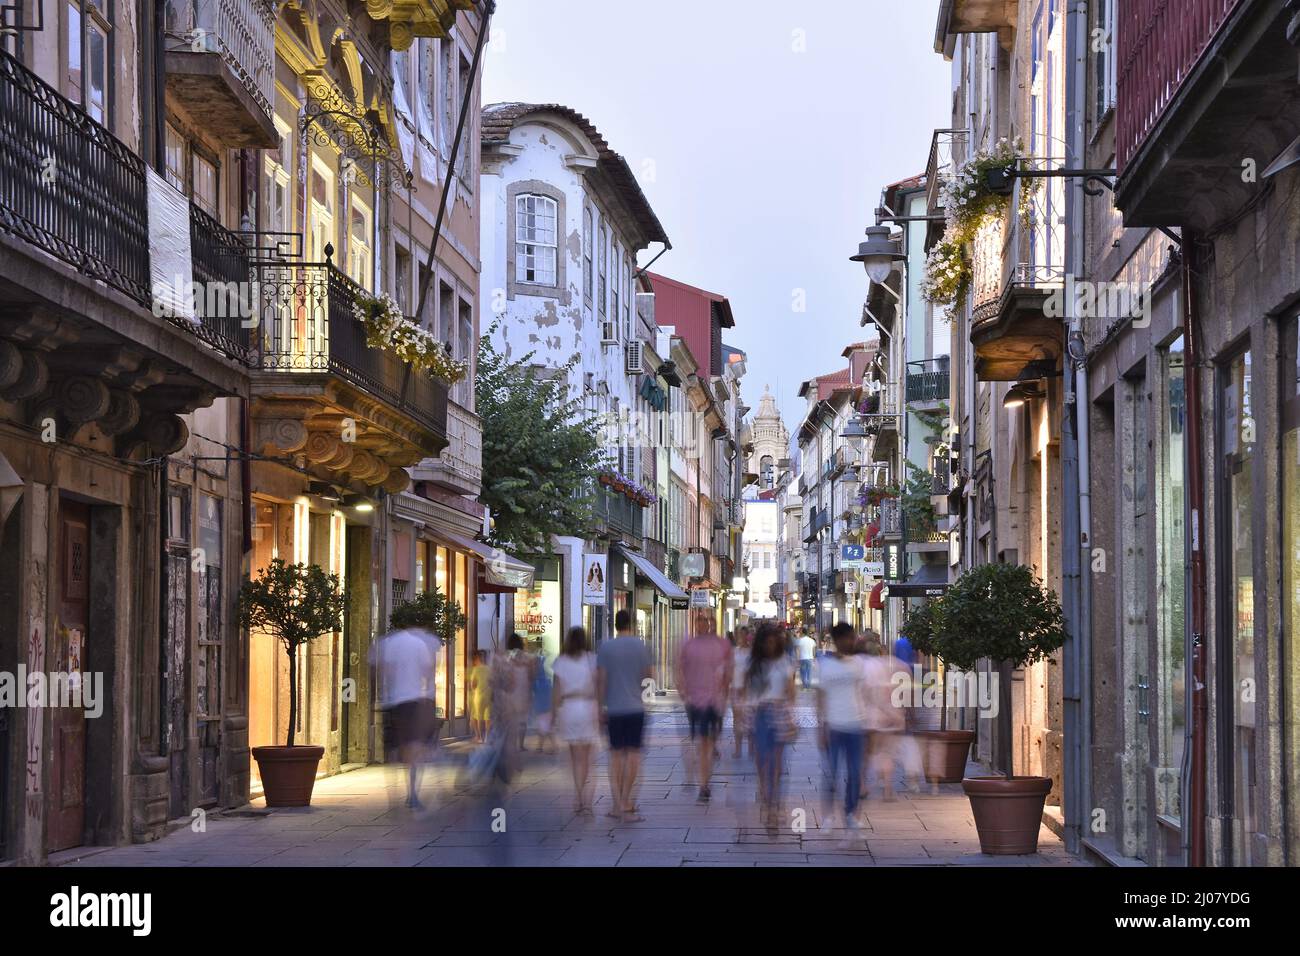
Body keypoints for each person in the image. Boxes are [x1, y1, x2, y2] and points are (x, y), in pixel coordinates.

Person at [369, 625, 437, 810]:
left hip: (392, 702)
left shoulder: (388, 643)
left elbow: (381, 669)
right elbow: (428, 673)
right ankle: (412, 793)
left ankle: (393, 796)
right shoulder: (419, 643)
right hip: (413, 701)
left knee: (392, 749)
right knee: (415, 747)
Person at [596, 609, 653, 822]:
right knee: (634, 755)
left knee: (616, 755)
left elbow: (600, 679)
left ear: (616, 625)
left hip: (614, 709)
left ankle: (616, 802)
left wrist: (600, 707)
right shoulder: (641, 646)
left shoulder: (606, 647)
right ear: (631, 623)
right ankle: (627, 801)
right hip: (636, 708)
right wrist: (644, 698)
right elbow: (649, 677)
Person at [816, 622, 871, 837]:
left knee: (855, 773)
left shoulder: (858, 663)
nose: (851, 641)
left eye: (852, 637)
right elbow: (820, 696)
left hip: (856, 725)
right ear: (837, 640)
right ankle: (828, 817)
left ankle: (850, 814)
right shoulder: (825, 665)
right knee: (831, 774)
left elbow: (863, 692)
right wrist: (821, 725)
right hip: (833, 725)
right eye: (848, 638)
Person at [675, 617, 734, 803]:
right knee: (705, 743)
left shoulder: (692, 645)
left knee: (703, 743)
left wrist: (683, 691)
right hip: (706, 702)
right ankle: (704, 783)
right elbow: (729, 671)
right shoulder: (717, 645)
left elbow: (678, 670)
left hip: (705, 702)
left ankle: (703, 783)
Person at [748, 621, 796, 827]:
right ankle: (765, 792)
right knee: (761, 760)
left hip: (778, 712)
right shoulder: (754, 664)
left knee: (777, 763)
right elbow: (747, 691)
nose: (770, 646)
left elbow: (791, 691)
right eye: (766, 642)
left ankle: (773, 805)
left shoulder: (785, 661)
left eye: (773, 642)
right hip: (759, 714)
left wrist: (791, 714)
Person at [551, 626, 600, 815]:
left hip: (568, 708)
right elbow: (597, 685)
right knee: (587, 758)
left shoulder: (560, 661)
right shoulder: (592, 659)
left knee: (574, 757)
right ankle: (586, 801)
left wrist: (554, 715)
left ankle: (578, 796)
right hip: (587, 706)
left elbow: (556, 691)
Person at [862, 642, 908, 801]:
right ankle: (887, 790)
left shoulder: (865, 667)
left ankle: (862, 785)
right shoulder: (898, 665)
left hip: (872, 717)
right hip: (893, 716)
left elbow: (865, 692)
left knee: (868, 753)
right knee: (887, 754)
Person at [490, 633, 534, 784]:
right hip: (516, 700)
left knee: (501, 734)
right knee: (511, 735)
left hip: (501, 701)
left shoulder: (502, 659)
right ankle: (511, 762)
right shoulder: (526, 660)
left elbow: (494, 681)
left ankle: (504, 763)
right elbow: (527, 680)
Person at [524, 643, 557, 754]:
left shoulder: (538, 680)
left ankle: (546, 746)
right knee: (544, 725)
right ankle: (544, 746)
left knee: (544, 725)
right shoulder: (543, 679)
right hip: (544, 703)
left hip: (543, 703)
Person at [729, 627, 752, 759]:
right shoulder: (734, 652)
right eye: (739, 635)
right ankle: (738, 749)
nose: (741, 637)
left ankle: (750, 747)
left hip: (748, 690)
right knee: (736, 719)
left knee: (749, 719)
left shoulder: (751, 653)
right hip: (736, 688)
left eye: (743, 634)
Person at [468, 649, 492, 743]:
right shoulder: (489, 669)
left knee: (479, 718)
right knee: (488, 718)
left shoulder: (475, 670)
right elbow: (492, 682)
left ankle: (480, 738)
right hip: (488, 696)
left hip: (478, 697)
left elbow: (473, 685)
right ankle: (487, 737)